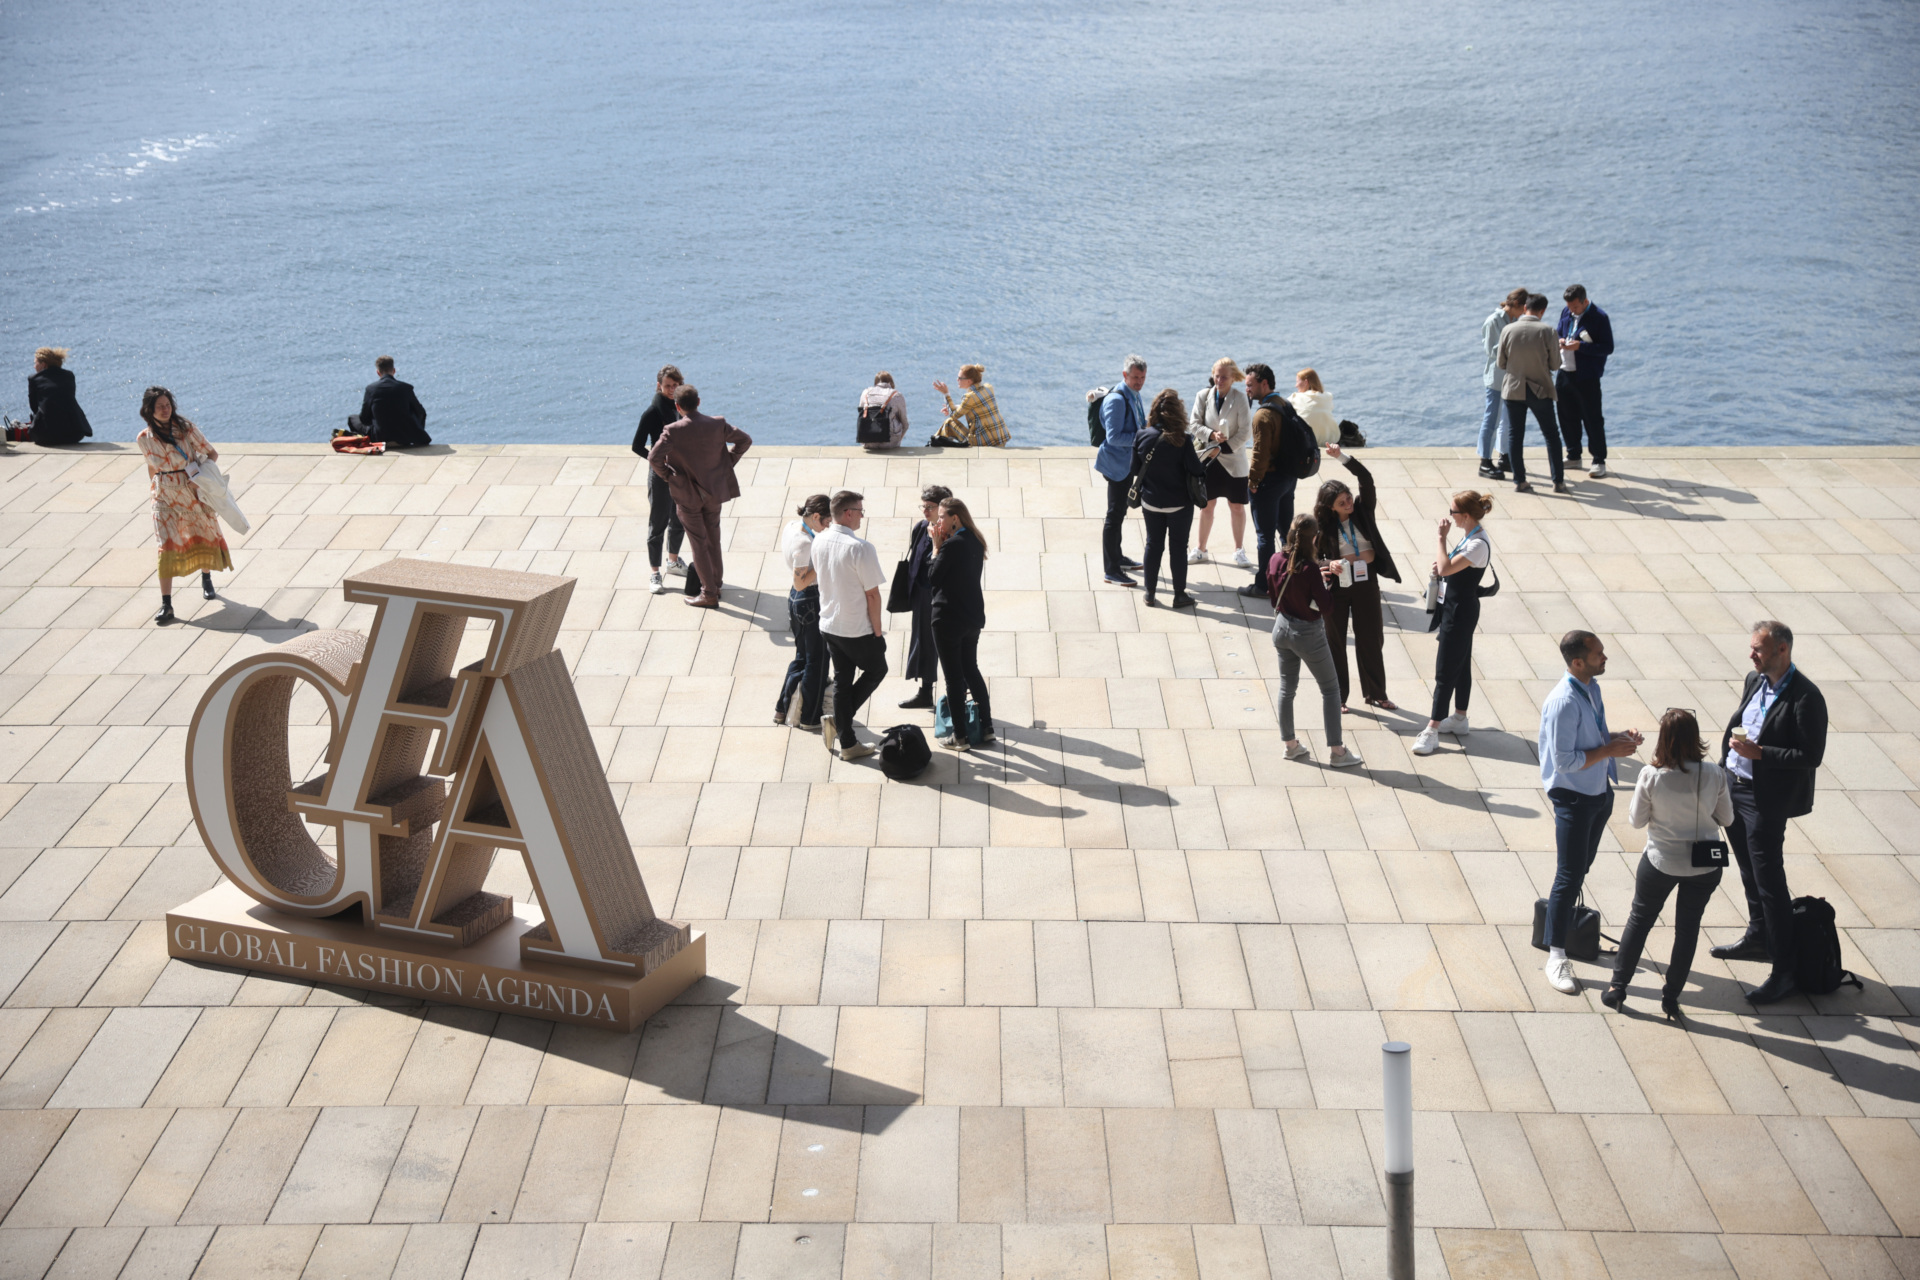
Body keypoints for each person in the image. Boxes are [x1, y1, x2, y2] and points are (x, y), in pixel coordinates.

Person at [1711, 620, 1829, 1004]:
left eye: (1758, 649)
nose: (1751, 655)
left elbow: (1810, 756)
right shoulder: (1754, 679)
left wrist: (1761, 754)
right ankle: (1758, 937)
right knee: (1747, 869)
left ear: (1782, 650)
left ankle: (1783, 969)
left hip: (1766, 800)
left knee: (1769, 883)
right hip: (1735, 789)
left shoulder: (1806, 697)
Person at [1603, 708, 1733, 1019]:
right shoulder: (1714, 773)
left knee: (1640, 920)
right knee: (1687, 931)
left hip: (1660, 861)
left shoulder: (1651, 775)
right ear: (1695, 738)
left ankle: (1618, 987)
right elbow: (1727, 818)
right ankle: (1672, 997)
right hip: (1704, 867)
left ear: (1665, 740)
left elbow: (1636, 821)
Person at [1534, 631, 1643, 995]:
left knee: (1580, 868)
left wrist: (1616, 738)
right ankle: (1556, 954)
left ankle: (1558, 928)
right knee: (1568, 875)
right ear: (1578, 661)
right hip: (1574, 799)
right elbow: (1565, 761)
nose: (1605, 657)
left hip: (1598, 793)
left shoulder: (1590, 688)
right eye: (1598, 654)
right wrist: (1610, 749)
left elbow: (1591, 739)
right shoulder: (1564, 701)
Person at [1267, 514, 1364, 768]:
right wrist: (1325, 585)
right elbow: (1327, 607)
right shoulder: (1310, 571)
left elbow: (1273, 592)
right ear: (1314, 538)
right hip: (1308, 634)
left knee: (1287, 689)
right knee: (1331, 690)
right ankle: (1337, 751)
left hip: (1281, 628)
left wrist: (1321, 571)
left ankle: (1290, 746)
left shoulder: (1277, 559)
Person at [1312, 444, 1399, 712]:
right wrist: (1331, 563)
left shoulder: (1362, 509)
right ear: (1330, 507)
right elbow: (1313, 559)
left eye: (1348, 498)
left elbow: (1366, 479)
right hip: (1338, 587)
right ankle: (1338, 697)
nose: (1348, 503)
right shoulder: (1322, 526)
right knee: (1335, 643)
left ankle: (1376, 694)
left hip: (1366, 582)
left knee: (1371, 638)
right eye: (1342, 503)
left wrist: (1341, 457)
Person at [647, 385, 751, 609]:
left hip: (687, 496)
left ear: (677, 406)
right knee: (713, 539)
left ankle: (709, 593)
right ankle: (717, 583)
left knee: (698, 544)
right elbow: (745, 440)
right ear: (699, 402)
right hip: (714, 493)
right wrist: (728, 462)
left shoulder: (672, 430)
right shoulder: (717, 423)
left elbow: (654, 458)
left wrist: (669, 477)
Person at [136, 386, 231, 624]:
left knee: (201, 534)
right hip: (163, 496)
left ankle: (206, 578)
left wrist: (200, 480)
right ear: (149, 410)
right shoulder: (143, 439)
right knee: (164, 545)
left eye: (168, 405)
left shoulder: (186, 429)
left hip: (191, 491)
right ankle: (166, 604)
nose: (166, 409)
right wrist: (153, 489)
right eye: (160, 406)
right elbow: (151, 467)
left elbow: (212, 454)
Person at [1412, 491, 1494, 755]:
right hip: (1456, 607)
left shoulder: (1478, 543)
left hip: (1461, 612)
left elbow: (1447, 568)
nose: (1450, 517)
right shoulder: (1471, 536)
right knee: (1461, 663)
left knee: (1445, 670)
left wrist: (1440, 539)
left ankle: (1432, 729)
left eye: (1453, 512)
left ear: (1466, 515)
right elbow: (1448, 566)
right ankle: (1459, 717)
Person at [812, 490, 888, 760]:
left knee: (844, 679)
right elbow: (872, 594)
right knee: (878, 668)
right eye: (859, 511)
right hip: (855, 628)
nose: (861, 516)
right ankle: (842, 726)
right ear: (847, 513)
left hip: (829, 623)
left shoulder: (819, 540)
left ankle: (847, 741)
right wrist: (878, 633)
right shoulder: (861, 548)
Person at [1131, 388, 1213, 608]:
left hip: (1151, 502)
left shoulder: (1142, 436)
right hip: (1179, 505)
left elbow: (1135, 469)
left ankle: (1149, 593)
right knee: (1178, 548)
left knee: (1153, 545)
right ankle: (1179, 595)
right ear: (1178, 413)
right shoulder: (1183, 440)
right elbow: (1196, 470)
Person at [927, 496, 993, 750]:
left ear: (955, 518)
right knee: (971, 670)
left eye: (942, 516)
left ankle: (960, 737)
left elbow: (933, 577)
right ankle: (986, 727)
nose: (938, 520)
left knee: (954, 678)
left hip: (948, 619)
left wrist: (935, 547)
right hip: (972, 616)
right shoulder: (975, 540)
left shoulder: (950, 546)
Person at [1238, 364, 1306, 599]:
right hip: (1289, 478)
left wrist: (1253, 482)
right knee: (1286, 531)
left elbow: (1260, 454)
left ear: (1264, 384)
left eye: (1250, 384)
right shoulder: (1285, 404)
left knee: (1264, 536)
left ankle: (1264, 585)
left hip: (1269, 481)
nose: (1247, 389)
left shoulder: (1263, 415)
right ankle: (1292, 576)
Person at [630, 364, 692, 594]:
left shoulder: (682, 408)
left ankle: (673, 562)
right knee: (658, 523)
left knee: (679, 518)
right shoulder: (652, 412)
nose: (671, 389)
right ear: (659, 386)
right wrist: (655, 461)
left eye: (676, 385)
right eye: (668, 385)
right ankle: (655, 573)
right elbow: (637, 445)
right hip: (659, 476)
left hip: (679, 472)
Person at [1496, 295, 1565, 494]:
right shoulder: (1548, 331)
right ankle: (1558, 481)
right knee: (1551, 435)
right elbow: (1555, 365)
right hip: (1540, 390)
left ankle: (1519, 480)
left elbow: (1501, 363)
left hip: (1514, 389)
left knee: (1515, 435)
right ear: (1542, 311)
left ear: (1525, 307)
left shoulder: (1508, 330)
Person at [776, 494, 832, 731]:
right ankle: (809, 717)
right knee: (817, 661)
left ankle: (782, 708)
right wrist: (822, 563)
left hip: (796, 600)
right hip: (808, 600)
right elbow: (800, 581)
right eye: (826, 522)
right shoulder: (804, 543)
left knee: (802, 656)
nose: (828, 526)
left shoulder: (791, 526)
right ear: (816, 516)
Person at [1189, 359, 1252, 568]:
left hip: (1234, 460)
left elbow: (1245, 432)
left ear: (1233, 378)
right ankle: (1201, 549)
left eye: (1224, 376)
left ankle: (1239, 550)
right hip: (1209, 459)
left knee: (1237, 506)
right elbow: (1194, 424)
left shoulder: (1240, 398)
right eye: (1217, 375)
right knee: (1207, 506)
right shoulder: (1202, 396)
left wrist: (1225, 447)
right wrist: (1211, 434)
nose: (1220, 380)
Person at [898, 484, 954, 709]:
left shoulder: (951, 533)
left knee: (948, 649)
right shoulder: (921, 528)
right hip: (922, 595)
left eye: (930, 507)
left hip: (943, 597)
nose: (925, 511)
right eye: (923, 506)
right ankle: (925, 692)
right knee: (923, 644)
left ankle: (955, 695)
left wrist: (936, 546)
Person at [1094, 356, 1148, 585]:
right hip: (1116, 465)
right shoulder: (1116, 400)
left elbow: (1138, 422)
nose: (1139, 382)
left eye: (1143, 378)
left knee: (1119, 513)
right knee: (1114, 516)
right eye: (1135, 377)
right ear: (1125, 375)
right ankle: (1111, 569)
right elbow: (1114, 437)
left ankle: (1118, 557)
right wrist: (1142, 437)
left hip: (1125, 464)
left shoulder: (1133, 394)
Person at [1556, 285, 1615, 477]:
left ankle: (1599, 460)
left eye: (1575, 307)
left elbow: (1607, 347)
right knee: (1566, 416)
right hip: (1565, 372)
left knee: (1592, 418)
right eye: (1569, 306)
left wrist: (1580, 347)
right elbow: (1559, 332)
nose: (1572, 310)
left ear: (1585, 302)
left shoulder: (1599, 317)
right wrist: (1560, 341)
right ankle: (1573, 454)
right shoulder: (1566, 312)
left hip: (1587, 376)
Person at [1479, 289, 1528, 477]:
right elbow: (1491, 351)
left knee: (1507, 421)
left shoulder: (1515, 321)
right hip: (1496, 379)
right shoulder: (1493, 321)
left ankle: (1504, 457)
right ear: (1515, 305)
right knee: (1490, 420)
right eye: (1522, 309)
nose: (1524, 313)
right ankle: (1484, 460)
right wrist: (1512, 338)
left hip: (1512, 378)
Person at [349, 356, 431, 448]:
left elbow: (364, 418)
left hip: (380, 436)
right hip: (405, 437)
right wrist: (416, 428)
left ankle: (366, 443)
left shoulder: (371, 389)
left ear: (378, 372)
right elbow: (421, 412)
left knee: (352, 419)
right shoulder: (406, 388)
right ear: (394, 370)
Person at [17, 348, 92, 445]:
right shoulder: (69, 375)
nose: (34, 366)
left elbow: (34, 407)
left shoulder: (34, 379)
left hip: (46, 436)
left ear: (43, 364)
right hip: (74, 433)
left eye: (36, 363)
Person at [931, 364, 1008, 447]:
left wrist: (946, 394)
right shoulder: (988, 388)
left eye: (960, 378)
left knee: (949, 423)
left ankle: (932, 446)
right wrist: (957, 406)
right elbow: (977, 405)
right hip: (1000, 439)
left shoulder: (969, 397)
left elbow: (954, 415)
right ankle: (936, 443)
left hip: (984, 442)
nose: (957, 380)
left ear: (969, 381)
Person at [858, 373, 910, 450]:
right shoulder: (896, 395)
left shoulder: (865, 393)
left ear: (875, 383)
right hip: (890, 443)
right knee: (898, 419)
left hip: (868, 441)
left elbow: (861, 416)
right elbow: (905, 424)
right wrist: (897, 441)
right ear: (891, 383)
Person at [1289, 369, 1339, 446]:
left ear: (1306, 382)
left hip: (1306, 440)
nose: (1295, 385)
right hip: (1330, 439)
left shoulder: (1295, 397)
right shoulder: (1327, 397)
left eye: (1297, 382)